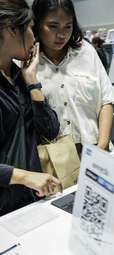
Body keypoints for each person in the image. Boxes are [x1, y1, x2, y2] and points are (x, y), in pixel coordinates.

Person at [0, 0, 62, 215]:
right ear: (12, 29)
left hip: (28, 200)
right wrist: (25, 176)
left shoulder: (19, 77)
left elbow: (50, 130)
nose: (34, 37)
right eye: (30, 28)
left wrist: (31, 81)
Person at [32, 0, 114, 153]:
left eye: (68, 26)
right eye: (53, 26)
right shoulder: (28, 61)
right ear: (38, 24)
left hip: (95, 149)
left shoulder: (86, 52)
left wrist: (102, 146)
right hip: (55, 160)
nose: (61, 34)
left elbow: (105, 101)